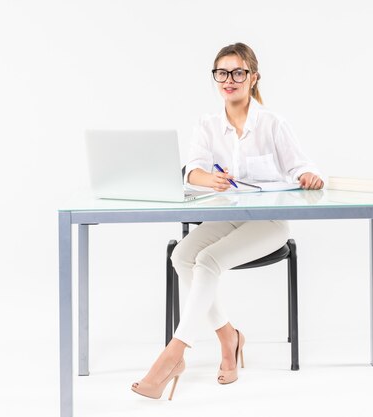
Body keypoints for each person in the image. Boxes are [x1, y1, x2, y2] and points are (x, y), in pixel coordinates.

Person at [131, 42, 324, 400]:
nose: (229, 80)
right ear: (215, 78)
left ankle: (173, 354)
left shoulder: (273, 124)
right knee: (181, 256)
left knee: (208, 260)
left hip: (269, 224)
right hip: (229, 218)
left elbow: (303, 166)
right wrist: (208, 179)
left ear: (253, 77)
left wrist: (310, 176)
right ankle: (228, 337)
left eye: (238, 72)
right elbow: (193, 171)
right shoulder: (207, 125)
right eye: (222, 73)